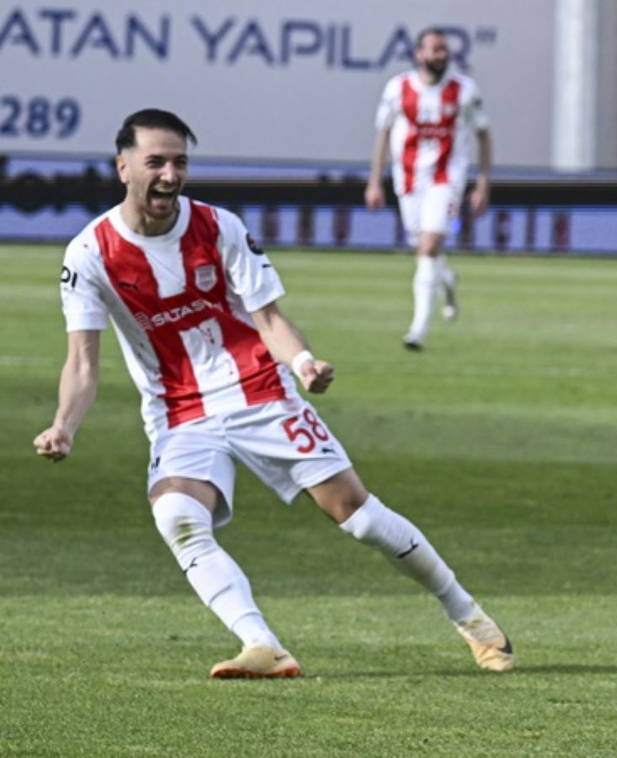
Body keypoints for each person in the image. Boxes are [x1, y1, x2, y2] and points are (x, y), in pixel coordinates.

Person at [33, 108, 513, 678]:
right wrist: (64, 425)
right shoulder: (89, 253)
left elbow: (269, 319)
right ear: (123, 167)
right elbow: (82, 362)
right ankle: (262, 645)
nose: (169, 175)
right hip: (179, 409)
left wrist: (304, 363)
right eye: (155, 162)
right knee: (177, 517)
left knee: (357, 516)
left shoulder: (220, 227)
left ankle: (469, 615)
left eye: (179, 162)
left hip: (259, 388)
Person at [365, 27, 492, 350]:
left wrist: (482, 183)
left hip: (446, 178)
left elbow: (483, 134)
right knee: (423, 249)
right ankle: (446, 279)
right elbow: (383, 132)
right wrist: (375, 181)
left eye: (444, 49)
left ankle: (418, 330)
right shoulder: (398, 88)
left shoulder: (464, 90)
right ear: (418, 54)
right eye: (434, 49)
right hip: (408, 179)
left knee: (429, 245)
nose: (441, 55)